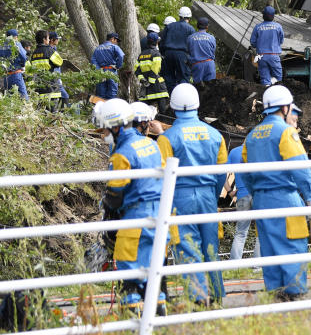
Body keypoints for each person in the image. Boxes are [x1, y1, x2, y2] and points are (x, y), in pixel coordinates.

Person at [242, 85, 311, 300]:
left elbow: (244, 170)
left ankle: (276, 294)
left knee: (270, 246)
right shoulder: (286, 132)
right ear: (285, 108)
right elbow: (300, 167)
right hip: (285, 198)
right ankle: (295, 294)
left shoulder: (252, 135)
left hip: (262, 200)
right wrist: (310, 199)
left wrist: (255, 193)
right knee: (292, 245)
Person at [157, 83, 228, 304]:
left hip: (180, 196)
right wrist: (213, 195)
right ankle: (216, 295)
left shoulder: (166, 138)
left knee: (188, 246)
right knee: (210, 247)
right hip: (208, 195)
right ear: (197, 104)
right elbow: (221, 174)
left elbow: (162, 178)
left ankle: (198, 298)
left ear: (173, 106)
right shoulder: (216, 135)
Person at [97, 99, 166, 314]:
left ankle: (132, 321)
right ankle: (160, 319)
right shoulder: (151, 144)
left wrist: (108, 217)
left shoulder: (122, 155)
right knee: (153, 271)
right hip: (159, 216)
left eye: (106, 129)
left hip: (135, 219)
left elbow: (115, 197)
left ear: (116, 127)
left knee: (129, 272)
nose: (104, 134)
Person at [226, 145, 259, 261]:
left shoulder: (234, 152)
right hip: (258, 194)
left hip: (242, 196)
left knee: (240, 232)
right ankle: (257, 265)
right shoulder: (258, 148)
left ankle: (234, 265)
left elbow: (222, 174)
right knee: (261, 232)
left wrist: (230, 191)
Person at [159, 7, 194, 92]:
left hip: (168, 54)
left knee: (169, 77)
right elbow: (192, 46)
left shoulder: (170, 26)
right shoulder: (190, 29)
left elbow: (162, 42)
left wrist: (163, 53)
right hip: (182, 55)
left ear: (179, 16)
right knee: (183, 77)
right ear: (189, 18)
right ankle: (182, 98)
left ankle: (171, 97)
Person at [27, 30, 64, 108]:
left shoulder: (34, 53)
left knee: (43, 112)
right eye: (48, 38)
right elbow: (60, 62)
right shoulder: (49, 51)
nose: (49, 40)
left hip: (39, 86)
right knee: (53, 112)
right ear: (44, 39)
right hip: (51, 85)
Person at [250, 6, 285, 86]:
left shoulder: (258, 27)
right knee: (278, 78)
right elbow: (281, 41)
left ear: (263, 16)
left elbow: (253, 43)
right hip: (274, 56)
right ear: (273, 16)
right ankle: (276, 94)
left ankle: (267, 93)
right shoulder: (278, 27)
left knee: (265, 80)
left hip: (261, 57)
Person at [137, 32, 169, 113]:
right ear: (156, 42)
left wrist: (143, 80)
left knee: (144, 111)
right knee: (162, 111)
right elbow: (155, 69)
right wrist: (151, 82)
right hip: (157, 86)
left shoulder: (141, 55)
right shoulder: (156, 54)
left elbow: (137, 70)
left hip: (145, 88)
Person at [91, 32, 126, 99]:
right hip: (111, 71)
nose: (116, 42)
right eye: (116, 40)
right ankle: (110, 108)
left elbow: (93, 60)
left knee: (101, 93)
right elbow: (121, 56)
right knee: (112, 92)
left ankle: (101, 108)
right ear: (112, 39)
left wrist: (98, 70)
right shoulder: (114, 47)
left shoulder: (98, 48)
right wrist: (118, 66)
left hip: (100, 72)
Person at [0, 29, 28, 99]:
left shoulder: (1, 45)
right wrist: (23, 65)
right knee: (24, 98)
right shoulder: (16, 44)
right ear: (15, 37)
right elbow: (23, 56)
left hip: (6, 76)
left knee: (11, 98)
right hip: (16, 74)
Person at [187, 18, 217, 83]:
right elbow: (213, 51)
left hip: (197, 65)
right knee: (211, 87)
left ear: (197, 26)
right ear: (207, 27)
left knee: (198, 88)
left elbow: (188, 52)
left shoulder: (190, 38)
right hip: (209, 64)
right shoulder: (211, 38)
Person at [48, 31, 70, 105]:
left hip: (56, 77)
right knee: (65, 96)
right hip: (54, 78)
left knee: (57, 97)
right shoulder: (49, 50)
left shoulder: (54, 48)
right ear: (51, 40)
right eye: (57, 39)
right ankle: (65, 114)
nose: (58, 40)